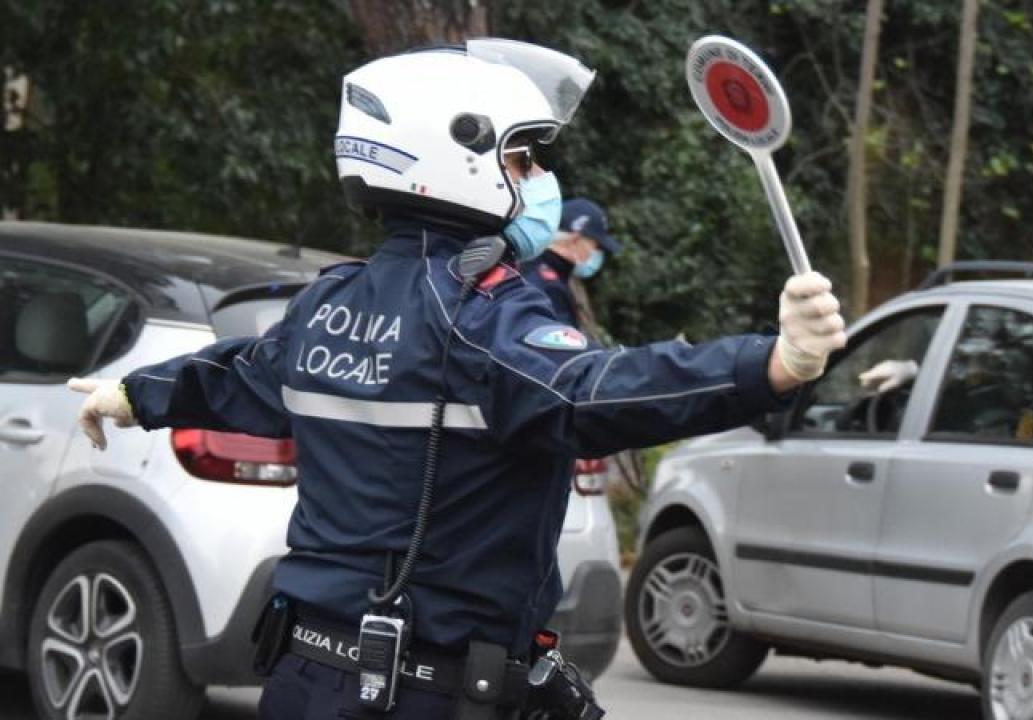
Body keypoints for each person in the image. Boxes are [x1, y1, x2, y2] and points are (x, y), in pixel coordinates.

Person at [67, 39, 846, 720]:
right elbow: (596, 389)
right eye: (522, 157)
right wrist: (773, 364)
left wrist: (136, 393)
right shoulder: (482, 319)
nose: (539, 176)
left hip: (306, 679)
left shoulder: (328, 306)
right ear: (456, 157)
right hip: (420, 692)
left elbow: (237, 374)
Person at [520, 198, 620, 326]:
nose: (597, 254)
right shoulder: (549, 286)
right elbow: (561, 341)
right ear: (575, 238)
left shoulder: (534, 265)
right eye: (596, 246)